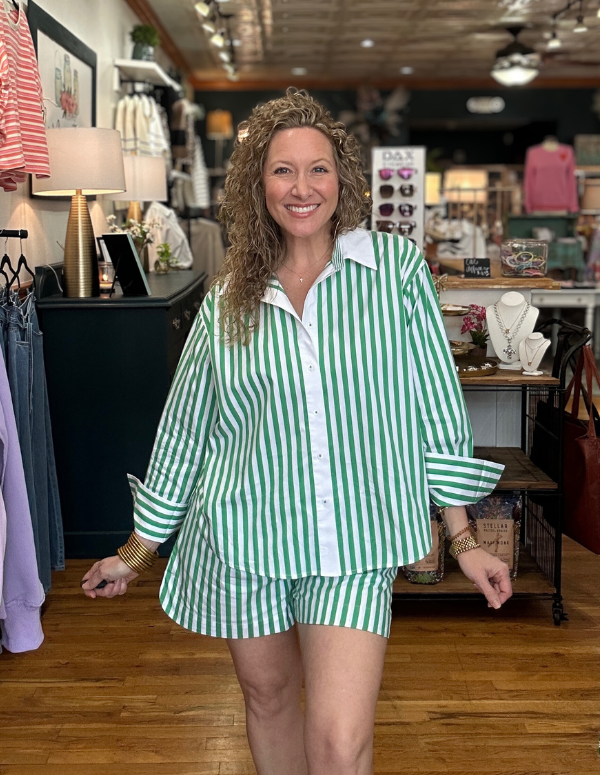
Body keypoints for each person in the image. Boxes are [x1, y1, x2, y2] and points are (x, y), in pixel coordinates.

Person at [82, 88, 512, 775]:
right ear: (259, 186)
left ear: (341, 180)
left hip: (355, 537)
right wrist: (134, 553)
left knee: (339, 743)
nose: (302, 186)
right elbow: (188, 431)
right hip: (245, 536)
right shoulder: (228, 300)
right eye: (283, 170)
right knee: (268, 695)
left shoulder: (394, 276)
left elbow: (435, 410)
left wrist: (463, 539)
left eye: (318, 168)